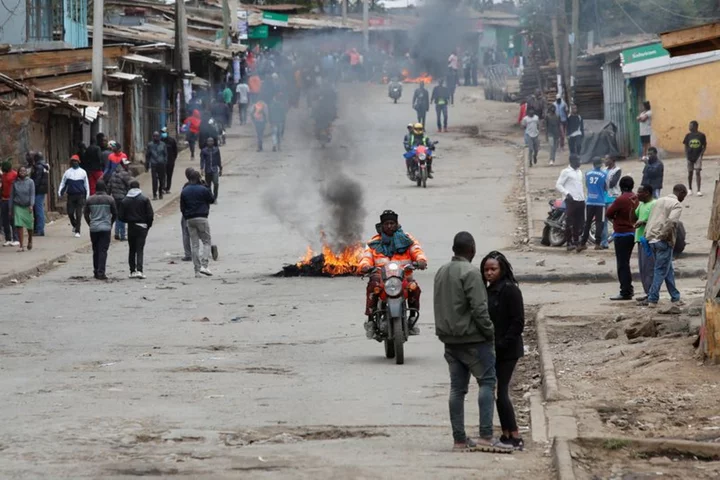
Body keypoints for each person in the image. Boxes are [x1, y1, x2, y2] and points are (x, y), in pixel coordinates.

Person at [434, 231, 513, 453]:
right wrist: (490, 332)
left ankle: (459, 440)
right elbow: (479, 309)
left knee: (457, 389)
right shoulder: (470, 273)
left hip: (449, 341)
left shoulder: (441, 271)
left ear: (453, 249)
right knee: (487, 382)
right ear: (472, 249)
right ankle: (486, 436)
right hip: (473, 340)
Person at [481, 250, 525, 451]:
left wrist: (504, 343)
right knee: (497, 391)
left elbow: (518, 322)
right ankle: (506, 433)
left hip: (508, 350)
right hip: (494, 349)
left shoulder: (510, 290)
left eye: (493, 269)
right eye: (486, 270)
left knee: (502, 391)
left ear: (502, 269)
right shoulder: (489, 290)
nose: (489, 273)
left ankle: (515, 434)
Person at [358, 210, 427, 338]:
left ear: (396, 224)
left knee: (414, 288)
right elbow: (366, 257)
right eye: (386, 224)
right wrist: (365, 266)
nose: (389, 226)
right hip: (381, 278)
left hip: (403, 277)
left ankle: (412, 318)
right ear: (382, 226)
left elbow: (416, 250)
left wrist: (420, 261)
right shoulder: (374, 242)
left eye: (392, 223)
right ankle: (371, 321)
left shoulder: (406, 239)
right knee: (373, 287)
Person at [641, 184, 688, 307]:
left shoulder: (659, 200)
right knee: (660, 270)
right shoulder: (676, 204)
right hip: (662, 240)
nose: (684, 198)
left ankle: (675, 297)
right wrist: (663, 235)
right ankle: (653, 298)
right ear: (681, 193)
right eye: (684, 195)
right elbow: (672, 222)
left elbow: (651, 218)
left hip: (651, 239)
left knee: (668, 270)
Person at [606, 176, 639, 300]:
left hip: (622, 234)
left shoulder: (621, 199)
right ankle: (628, 289)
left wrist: (616, 219)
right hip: (632, 232)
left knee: (622, 264)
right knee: (626, 263)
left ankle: (625, 291)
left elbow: (609, 213)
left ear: (621, 187)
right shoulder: (636, 198)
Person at [180, 170, 215, 277]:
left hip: (190, 219)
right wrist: (207, 187)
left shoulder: (185, 190)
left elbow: (182, 207)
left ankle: (197, 270)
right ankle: (204, 265)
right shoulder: (203, 189)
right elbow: (212, 199)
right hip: (202, 217)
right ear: (198, 178)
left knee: (194, 244)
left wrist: (187, 216)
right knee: (206, 241)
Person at [119, 180, 154, 279]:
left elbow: (120, 216)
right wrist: (148, 225)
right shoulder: (144, 199)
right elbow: (150, 214)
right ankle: (140, 270)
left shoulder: (125, 200)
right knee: (140, 249)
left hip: (131, 226)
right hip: (142, 226)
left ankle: (132, 270)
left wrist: (128, 220)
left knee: (132, 249)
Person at [83, 180, 117, 280]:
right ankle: (101, 272)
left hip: (94, 228)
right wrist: (110, 223)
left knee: (95, 250)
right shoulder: (110, 199)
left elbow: (85, 214)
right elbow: (115, 213)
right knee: (103, 250)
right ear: (105, 188)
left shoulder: (90, 199)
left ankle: (95, 270)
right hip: (106, 228)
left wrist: (90, 223)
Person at [556, 154, 585, 251]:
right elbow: (558, 185)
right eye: (578, 160)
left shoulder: (579, 172)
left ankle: (576, 241)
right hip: (571, 201)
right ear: (572, 161)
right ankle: (569, 242)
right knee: (569, 222)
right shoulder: (566, 172)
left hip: (580, 200)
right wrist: (567, 194)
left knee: (579, 222)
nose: (580, 162)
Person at [578, 157, 607, 251]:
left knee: (587, 223)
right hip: (600, 202)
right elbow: (606, 187)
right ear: (601, 164)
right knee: (600, 223)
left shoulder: (587, 173)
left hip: (590, 201)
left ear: (593, 164)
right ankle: (597, 244)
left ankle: (582, 243)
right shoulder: (604, 174)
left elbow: (587, 185)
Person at [634, 184, 657, 302]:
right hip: (640, 239)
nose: (637, 194)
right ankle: (648, 292)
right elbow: (633, 218)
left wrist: (644, 222)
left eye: (640, 192)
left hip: (649, 240)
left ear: (647, 193)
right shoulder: (641, 205)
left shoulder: (654, 204)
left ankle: (652, 294)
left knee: (649, 268)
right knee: (643, 269)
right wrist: (633, 206)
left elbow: (656, 220)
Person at [58, 155, 90, 238]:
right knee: (70, 212)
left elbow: (86, 185)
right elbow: (63, 183)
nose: (74, 162)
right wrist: (60, 192)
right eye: (73, 161)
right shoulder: (67, 172)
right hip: (71, 195)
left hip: (80, 195)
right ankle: (74, 224)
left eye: (76, 161)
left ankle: (78, 231)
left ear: (78, 162)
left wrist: (87, 196)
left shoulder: (83, 172)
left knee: (79, 214)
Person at [9, 166, 34, 252]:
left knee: (29, 226)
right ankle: (21, 245)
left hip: (27, 206)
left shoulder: (30, 182)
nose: (22, 172)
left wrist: (31, 205)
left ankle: (30, 240)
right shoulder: (14, 183)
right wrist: (10, 209)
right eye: (20, 171)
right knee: (19, 225)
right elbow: (11, 196)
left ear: (26, 172)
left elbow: (32, 194)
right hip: (18, 205)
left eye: (24, 171)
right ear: (18, 173)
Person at [109, 158, 133, 241]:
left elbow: (109, 186)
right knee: (122, 216)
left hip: (115, 197)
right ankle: (122, 235)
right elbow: (130, 185)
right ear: (123, 165)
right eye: (127, 164)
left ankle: (116, 233)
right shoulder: (125, 174)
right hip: (123, 197)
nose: (128, 166)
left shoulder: (113, 173)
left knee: (117, 216)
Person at [683, 120, 707, 197]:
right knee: (690, 173)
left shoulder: (701, 135)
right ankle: (690, 189)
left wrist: (701, 154)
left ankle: (698, 190)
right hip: (690, 156)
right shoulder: (688, 136)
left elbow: (704, 145)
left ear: (695, 126)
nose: (689, 127)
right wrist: (686, 154)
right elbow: (686, 145)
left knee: (697, 172)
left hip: (698, 156)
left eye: (691, 126)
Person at [27, 153, 48, 237]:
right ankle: (38, 228)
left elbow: (37, 181)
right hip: (41, 190)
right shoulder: (44, 166)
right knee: (38, 210)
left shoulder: (39, 167)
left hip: (38, 190)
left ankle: (40, 229)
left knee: (39, 210)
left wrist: (31, 189)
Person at [145, 131, 168, 200]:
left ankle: (160, 193)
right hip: (154, 164)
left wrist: (165, 162)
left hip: (161, 164)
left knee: (161, 179)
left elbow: (165, 154)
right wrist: (147, 166)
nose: (155, 137)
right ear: (152, 137)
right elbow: (147, 155)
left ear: (159, 137)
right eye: (154, 136)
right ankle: (154, 194)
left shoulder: (163, 144)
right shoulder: (150, 145)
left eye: (157, 136)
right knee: (154, 180)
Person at [161, 127, 178, 194]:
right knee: (162, 176)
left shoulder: (172, 141)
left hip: (170, 161)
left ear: (167, 133)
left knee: (169, 175)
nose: (163, 134)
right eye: (162, 132)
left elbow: (175, 151)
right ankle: (162, 188)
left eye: (164, 132)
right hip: (162, 161)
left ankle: (168, 188)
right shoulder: (160, 140)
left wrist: (173, 159)